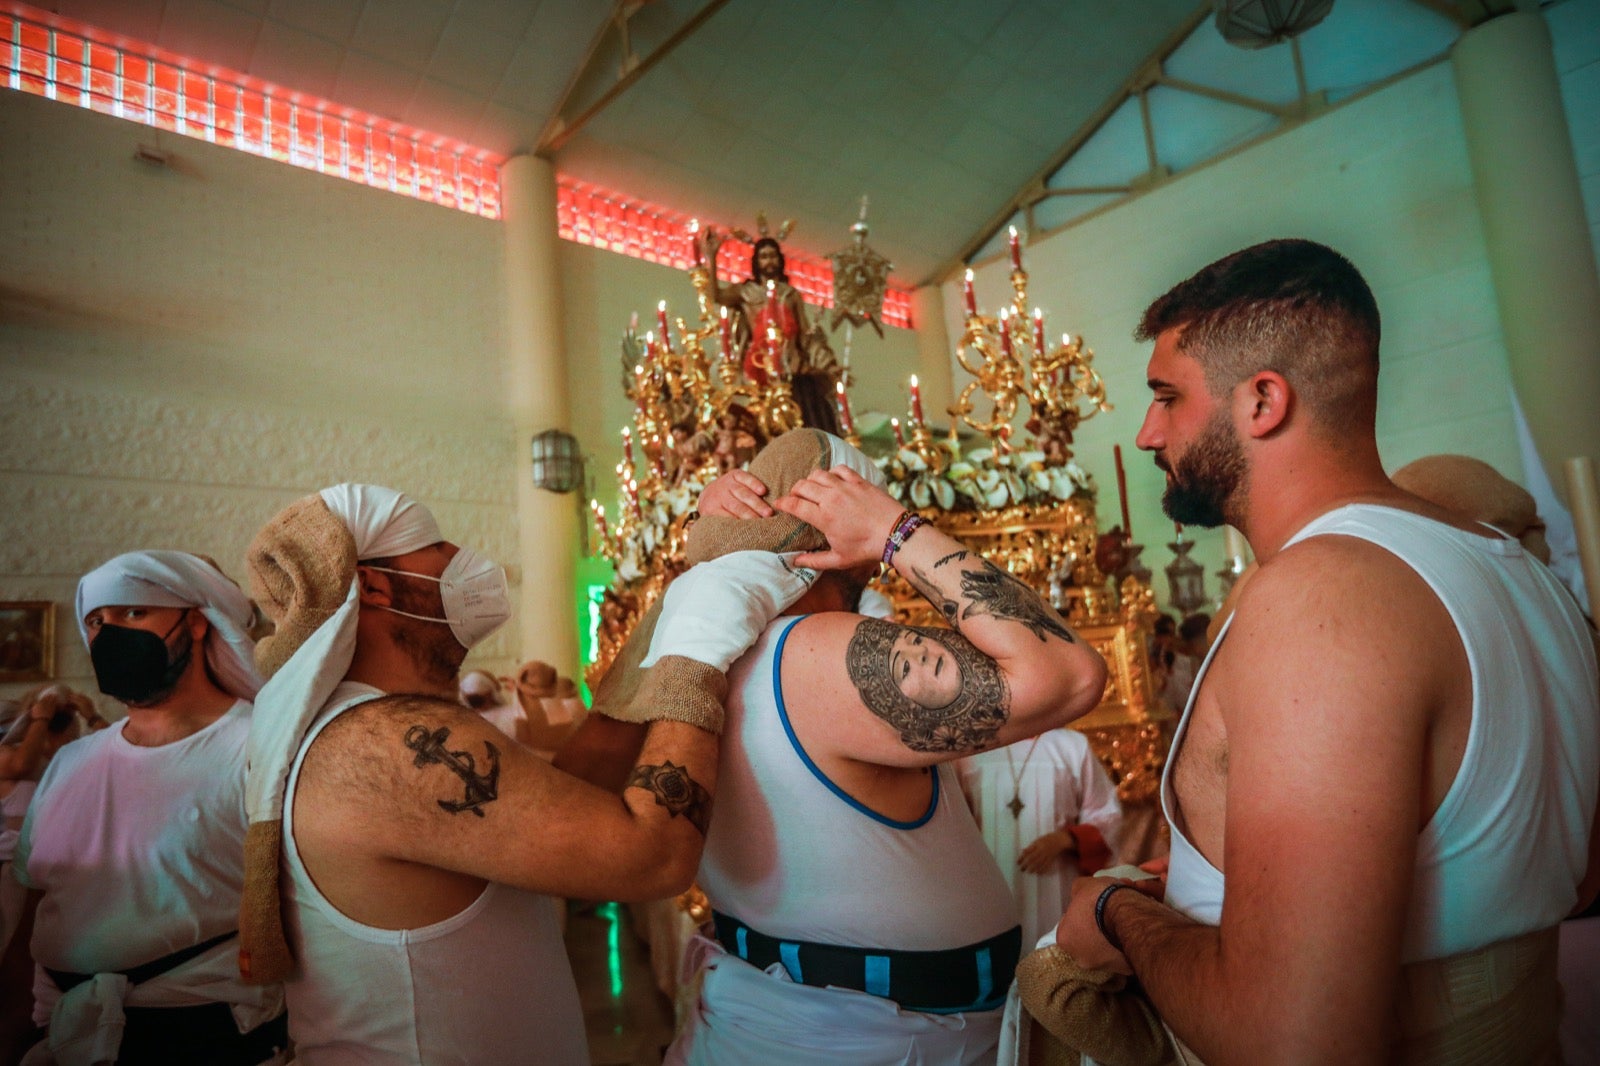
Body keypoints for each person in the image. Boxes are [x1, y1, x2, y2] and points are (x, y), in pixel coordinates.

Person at [1054, 239, 1600, 1063]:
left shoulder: (1319, 595)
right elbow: (1571, 869)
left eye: (1167, 397)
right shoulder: (1513, 563)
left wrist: (1118, 917)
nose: (1144, 433)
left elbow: (1294, 1042)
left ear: (1262, 400)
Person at [239, 483, 802, 1064]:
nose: (463, 557)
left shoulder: (378, 728)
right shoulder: (384, 743)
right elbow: (654, 855)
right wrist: (700, 651)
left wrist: (682, 593)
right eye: (437, 546)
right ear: (373, 584)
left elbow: (578, 789)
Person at [594, 428, 1108, 1064]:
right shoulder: (813, 649)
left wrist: (716, 558)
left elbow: (588, 765)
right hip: (875, 1038)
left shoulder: (695, 650)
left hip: (808, 1016)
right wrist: (896, 530)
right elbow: (1068, 675)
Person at [0, 550, 287, 1066]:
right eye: (95, 621)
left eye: (133, 613)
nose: (109, 634)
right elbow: (35, 904)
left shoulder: (262, 749)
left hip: (209, 1036)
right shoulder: (70, 761)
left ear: (196, 623)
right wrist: (17, 1024)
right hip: (63, 1033)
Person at [957, 730, 1122, 950]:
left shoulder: (1072, 746)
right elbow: (953, 821)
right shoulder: (971, 749)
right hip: (990, 885)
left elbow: (1107, 816)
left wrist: (1066, 839)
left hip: (1056, 885)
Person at [702, 228, 840, 433]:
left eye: (773, 256)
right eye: (764, 256)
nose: (769, 261)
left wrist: (825, 363)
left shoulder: (790, 294)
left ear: (780, 260)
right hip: (760, 365)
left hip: (791, 366)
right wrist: (711, 258)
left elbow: (804, 334)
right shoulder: (747, 292)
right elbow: (716, 296)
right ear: (756, 262)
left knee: (806, 416)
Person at [0, 687, 104, 955]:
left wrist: (93, 717)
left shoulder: (75, 756)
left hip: (64, 865)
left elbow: (126, 762)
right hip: (11, 869)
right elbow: (23, 765)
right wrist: (40, 719)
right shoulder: (8, 755)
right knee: (13, 948)